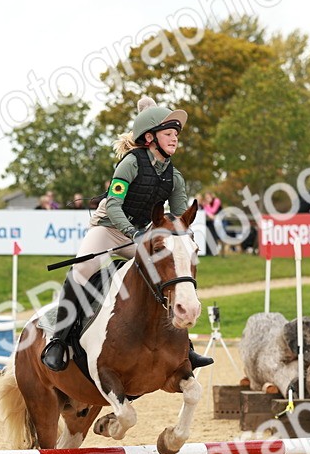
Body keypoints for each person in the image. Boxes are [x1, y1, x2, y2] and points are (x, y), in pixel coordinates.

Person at [40, 95, 212, 372]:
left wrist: (180, 242)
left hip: (140, 235)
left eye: (176, 134)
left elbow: (179, 220)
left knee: (169, 273)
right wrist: (133, 233)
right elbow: (115, 205)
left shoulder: (175, 177)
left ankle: (185, 349)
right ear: (150, 138)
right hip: (108, 229)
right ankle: (58, 341)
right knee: (80, 271)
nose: (175, 138)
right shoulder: (130, 164)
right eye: (168, 133)